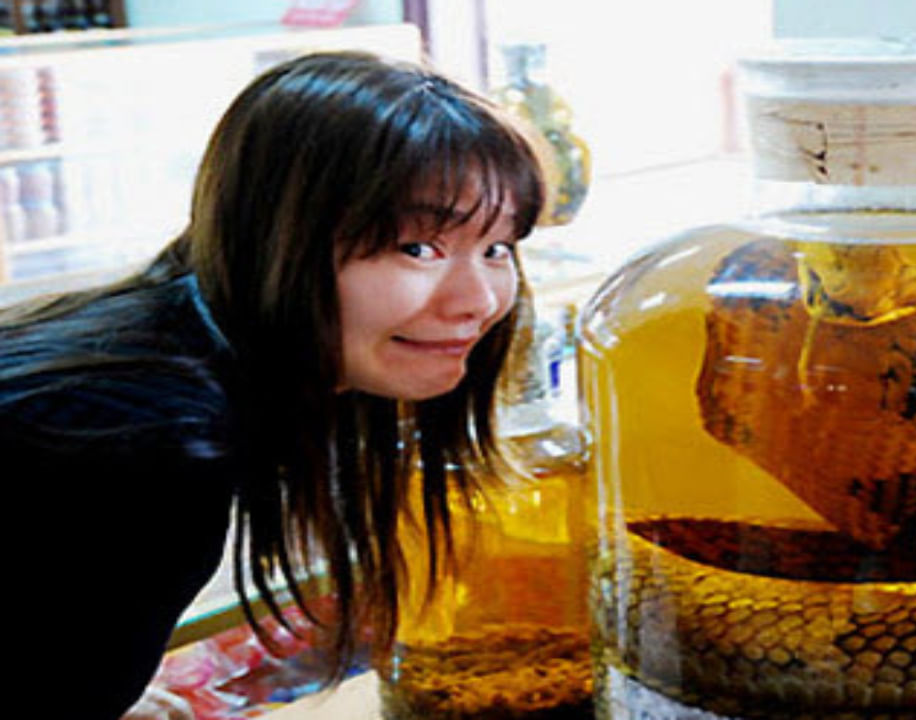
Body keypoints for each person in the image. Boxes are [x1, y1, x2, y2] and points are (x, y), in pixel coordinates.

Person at [1, 51, 544, 719]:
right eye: (417, 248)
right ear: (277, 238)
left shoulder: (167, 331)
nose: (479, 301)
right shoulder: (146, 443)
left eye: (497, 249)